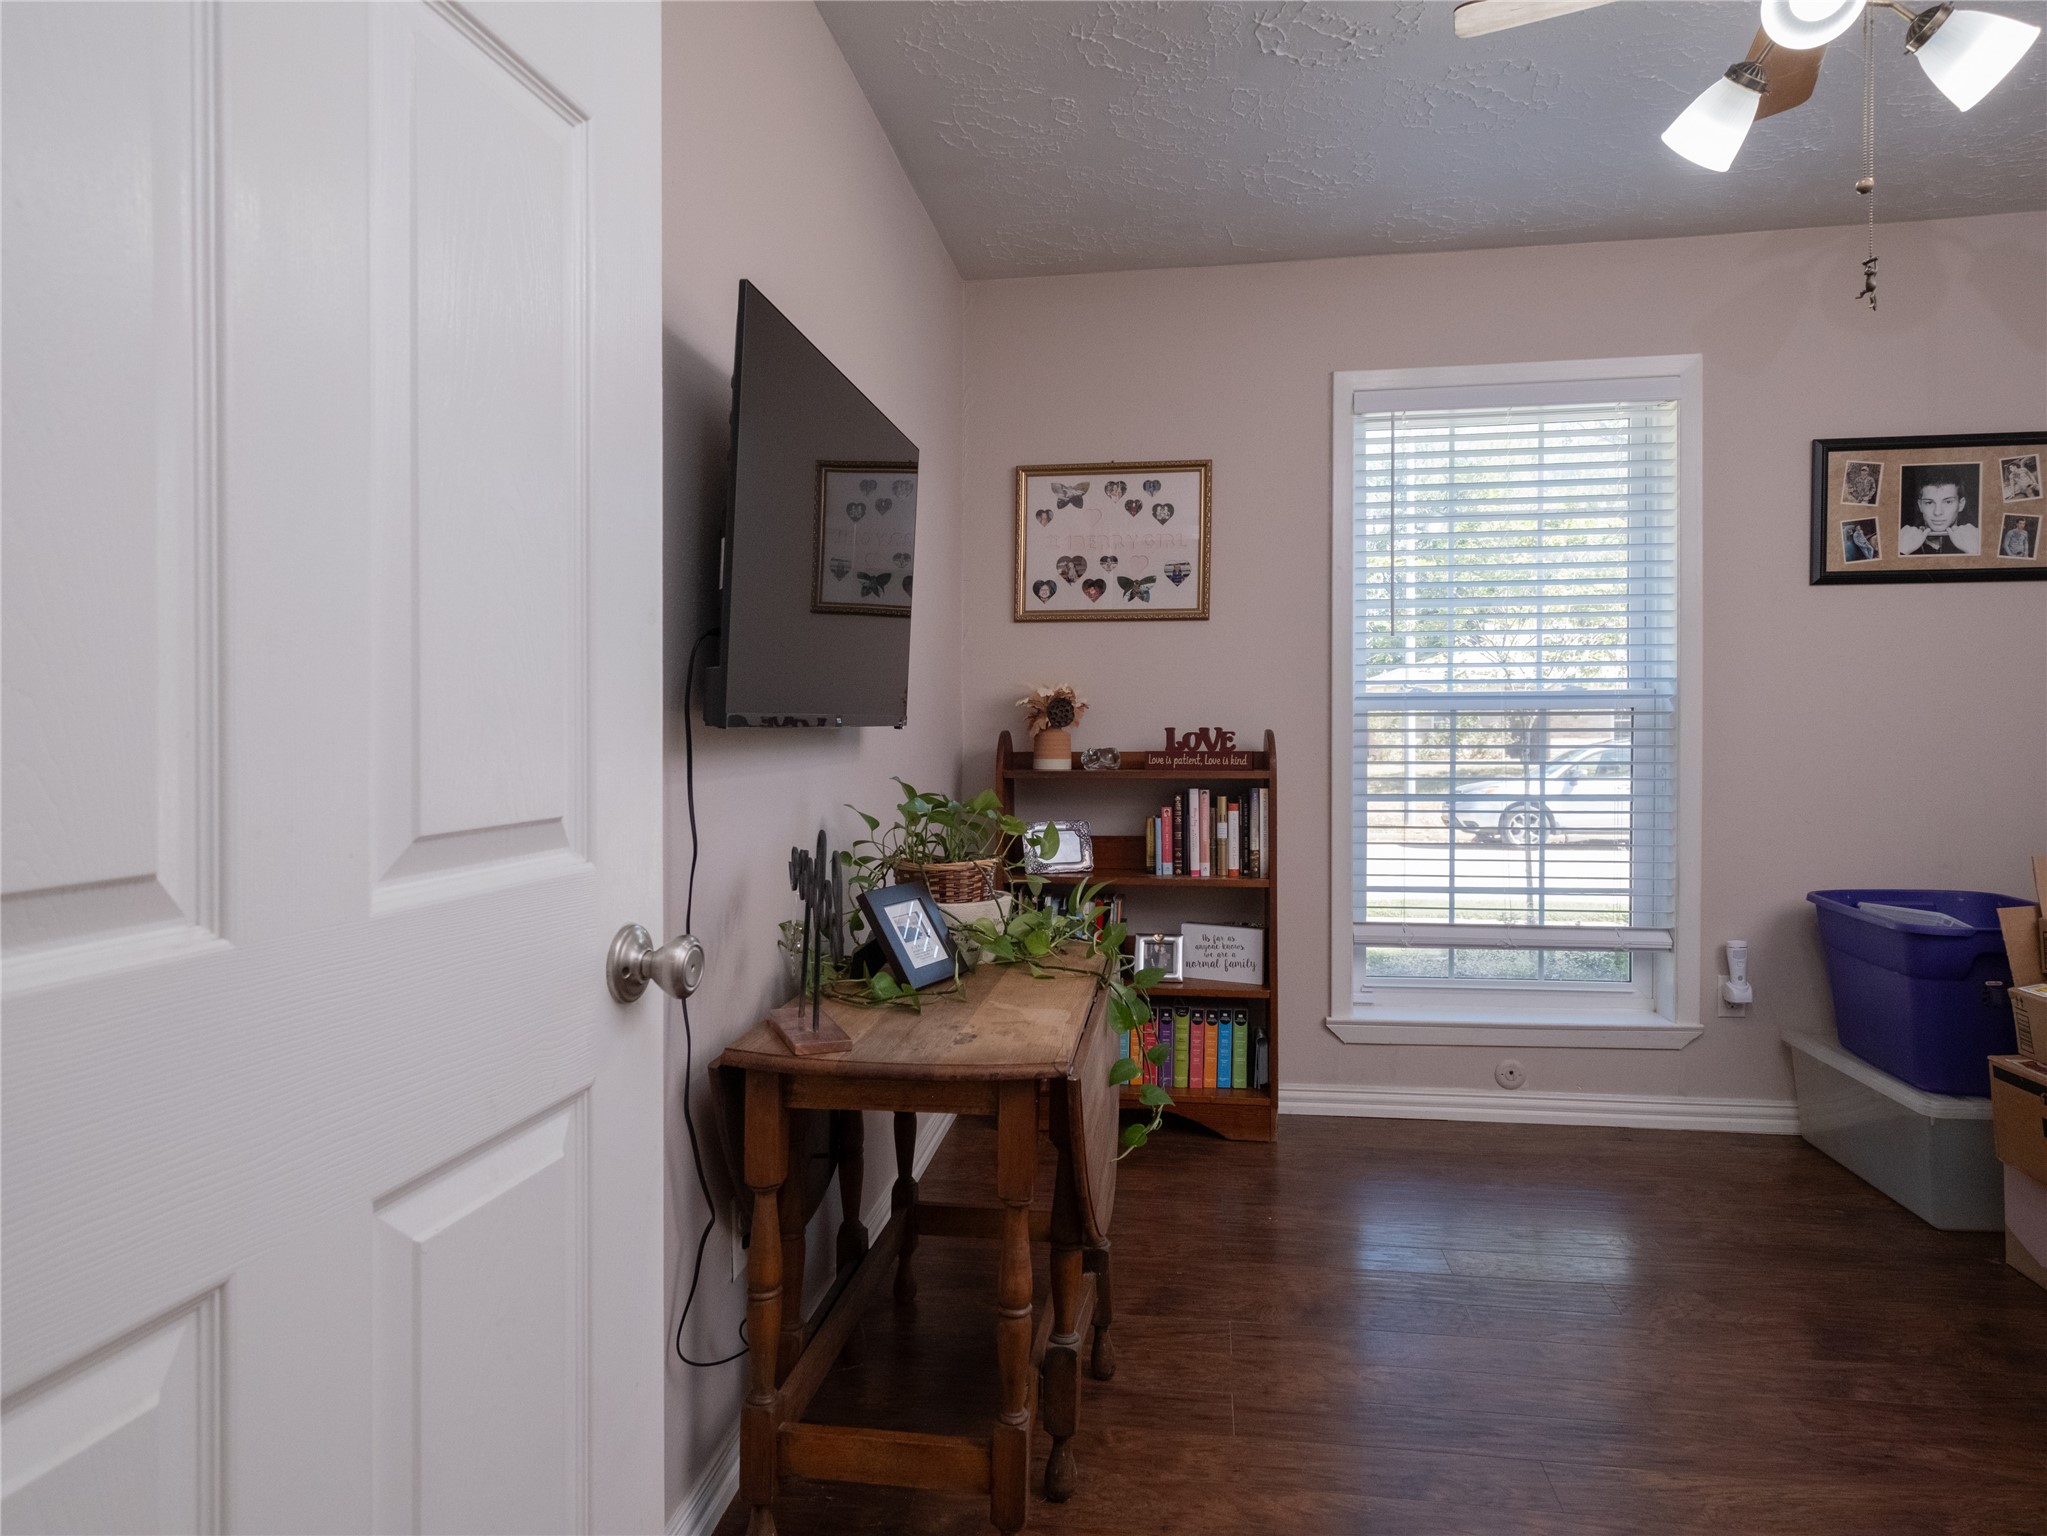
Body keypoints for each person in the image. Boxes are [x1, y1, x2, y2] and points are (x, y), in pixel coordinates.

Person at [1897, 471, 1979, 556]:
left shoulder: (1977, 543)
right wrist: (1900, 552)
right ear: (1920, 505)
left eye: (1948, 502)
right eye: (1929, 503)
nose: (1937, 512)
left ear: (1961, 505)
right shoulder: (1900, 544)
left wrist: (1976, 552)